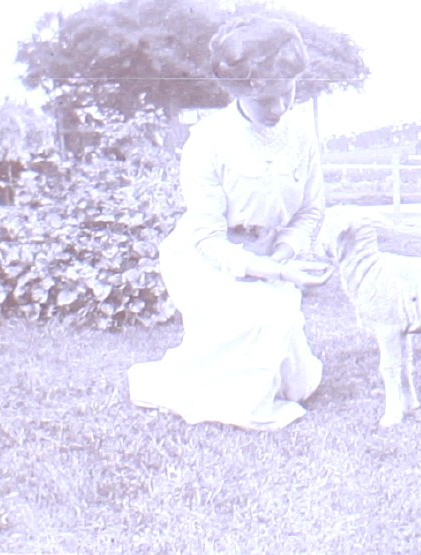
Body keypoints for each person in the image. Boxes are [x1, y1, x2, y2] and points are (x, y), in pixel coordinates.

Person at [128, 15, 332, 430]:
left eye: (287, 93)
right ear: (239, 91)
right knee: (261, 324)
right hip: (206, 265)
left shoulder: (301, 137)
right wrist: (275, 272)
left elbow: (311, 210)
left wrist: (283, 254)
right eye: (265, 99)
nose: (279, 108)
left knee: (297, 385)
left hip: (269, 257)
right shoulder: (209, 140)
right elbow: (207, 240)